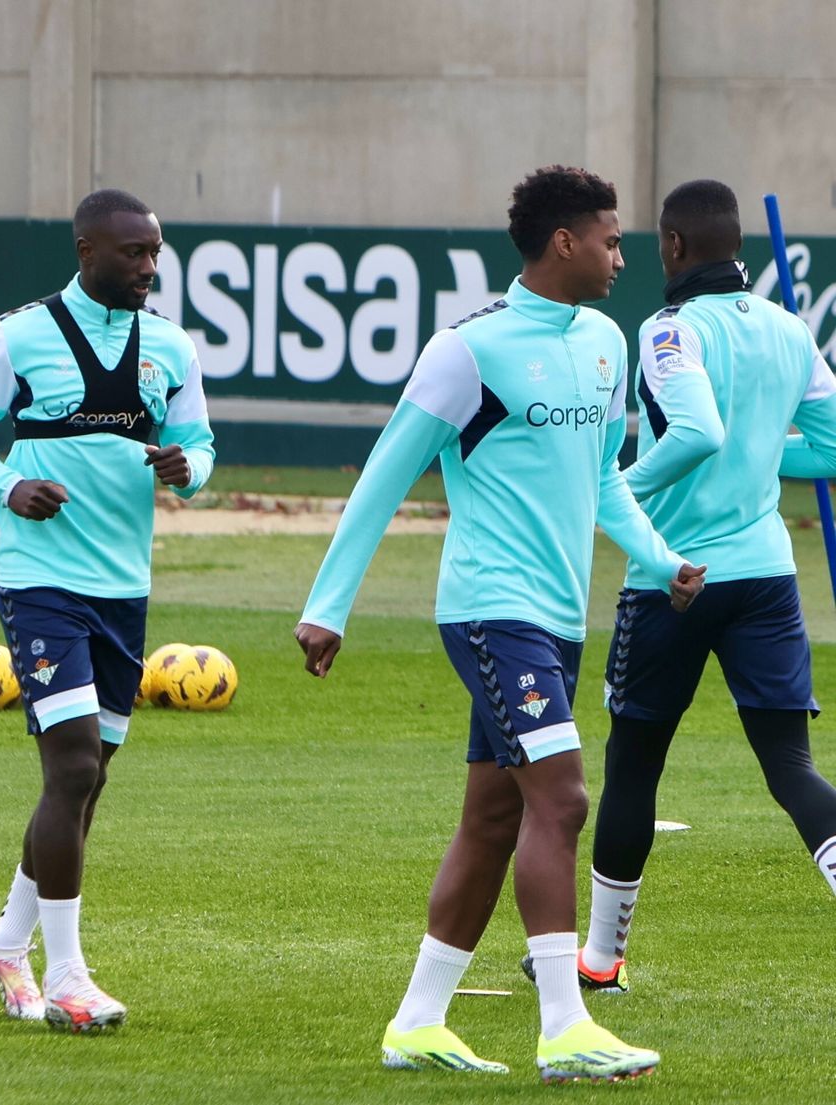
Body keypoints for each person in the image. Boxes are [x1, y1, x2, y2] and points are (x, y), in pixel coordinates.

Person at [294, 166, 705, 1081]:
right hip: (489, 611)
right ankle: (565, 1026)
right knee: (561, 799)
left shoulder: (604, 342)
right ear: (564, 242)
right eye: (608, 238)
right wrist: (328, 607)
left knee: (490, 818)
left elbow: (604, 478)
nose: (620, 254)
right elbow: (383, 476)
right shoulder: (467, 353)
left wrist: (658, 559)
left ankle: (417, 1021)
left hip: (558, 620)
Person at [0, 188, 215, 1032]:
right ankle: (68, 975)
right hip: (38, 583)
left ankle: (6, 943)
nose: (149, 269)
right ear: (88, 248)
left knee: (86, 786)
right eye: (134, 254)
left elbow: (202, 446)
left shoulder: (171, 345)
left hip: (123, 591)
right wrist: (8, 484)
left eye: (157, 253)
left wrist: (187, 472)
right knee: (74, 769)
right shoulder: (18, 334)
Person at [556, 179, 836, 992]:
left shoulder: (668, 328)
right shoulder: (789, 328)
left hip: (671, 576)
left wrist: (618, 490)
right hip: (768, 580)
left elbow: (698, 432)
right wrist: (759, 454)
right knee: (791, 764)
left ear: (673, 247)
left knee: (635, 763)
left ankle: (602, 963)